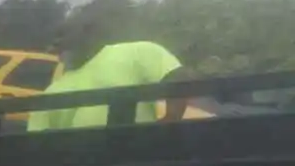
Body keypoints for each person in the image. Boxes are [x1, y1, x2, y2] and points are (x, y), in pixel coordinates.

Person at [27, 40, 189, 131]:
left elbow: (178, 76)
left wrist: (171, 118)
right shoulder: (53, 91)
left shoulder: (135, 52)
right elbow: (38, 144)